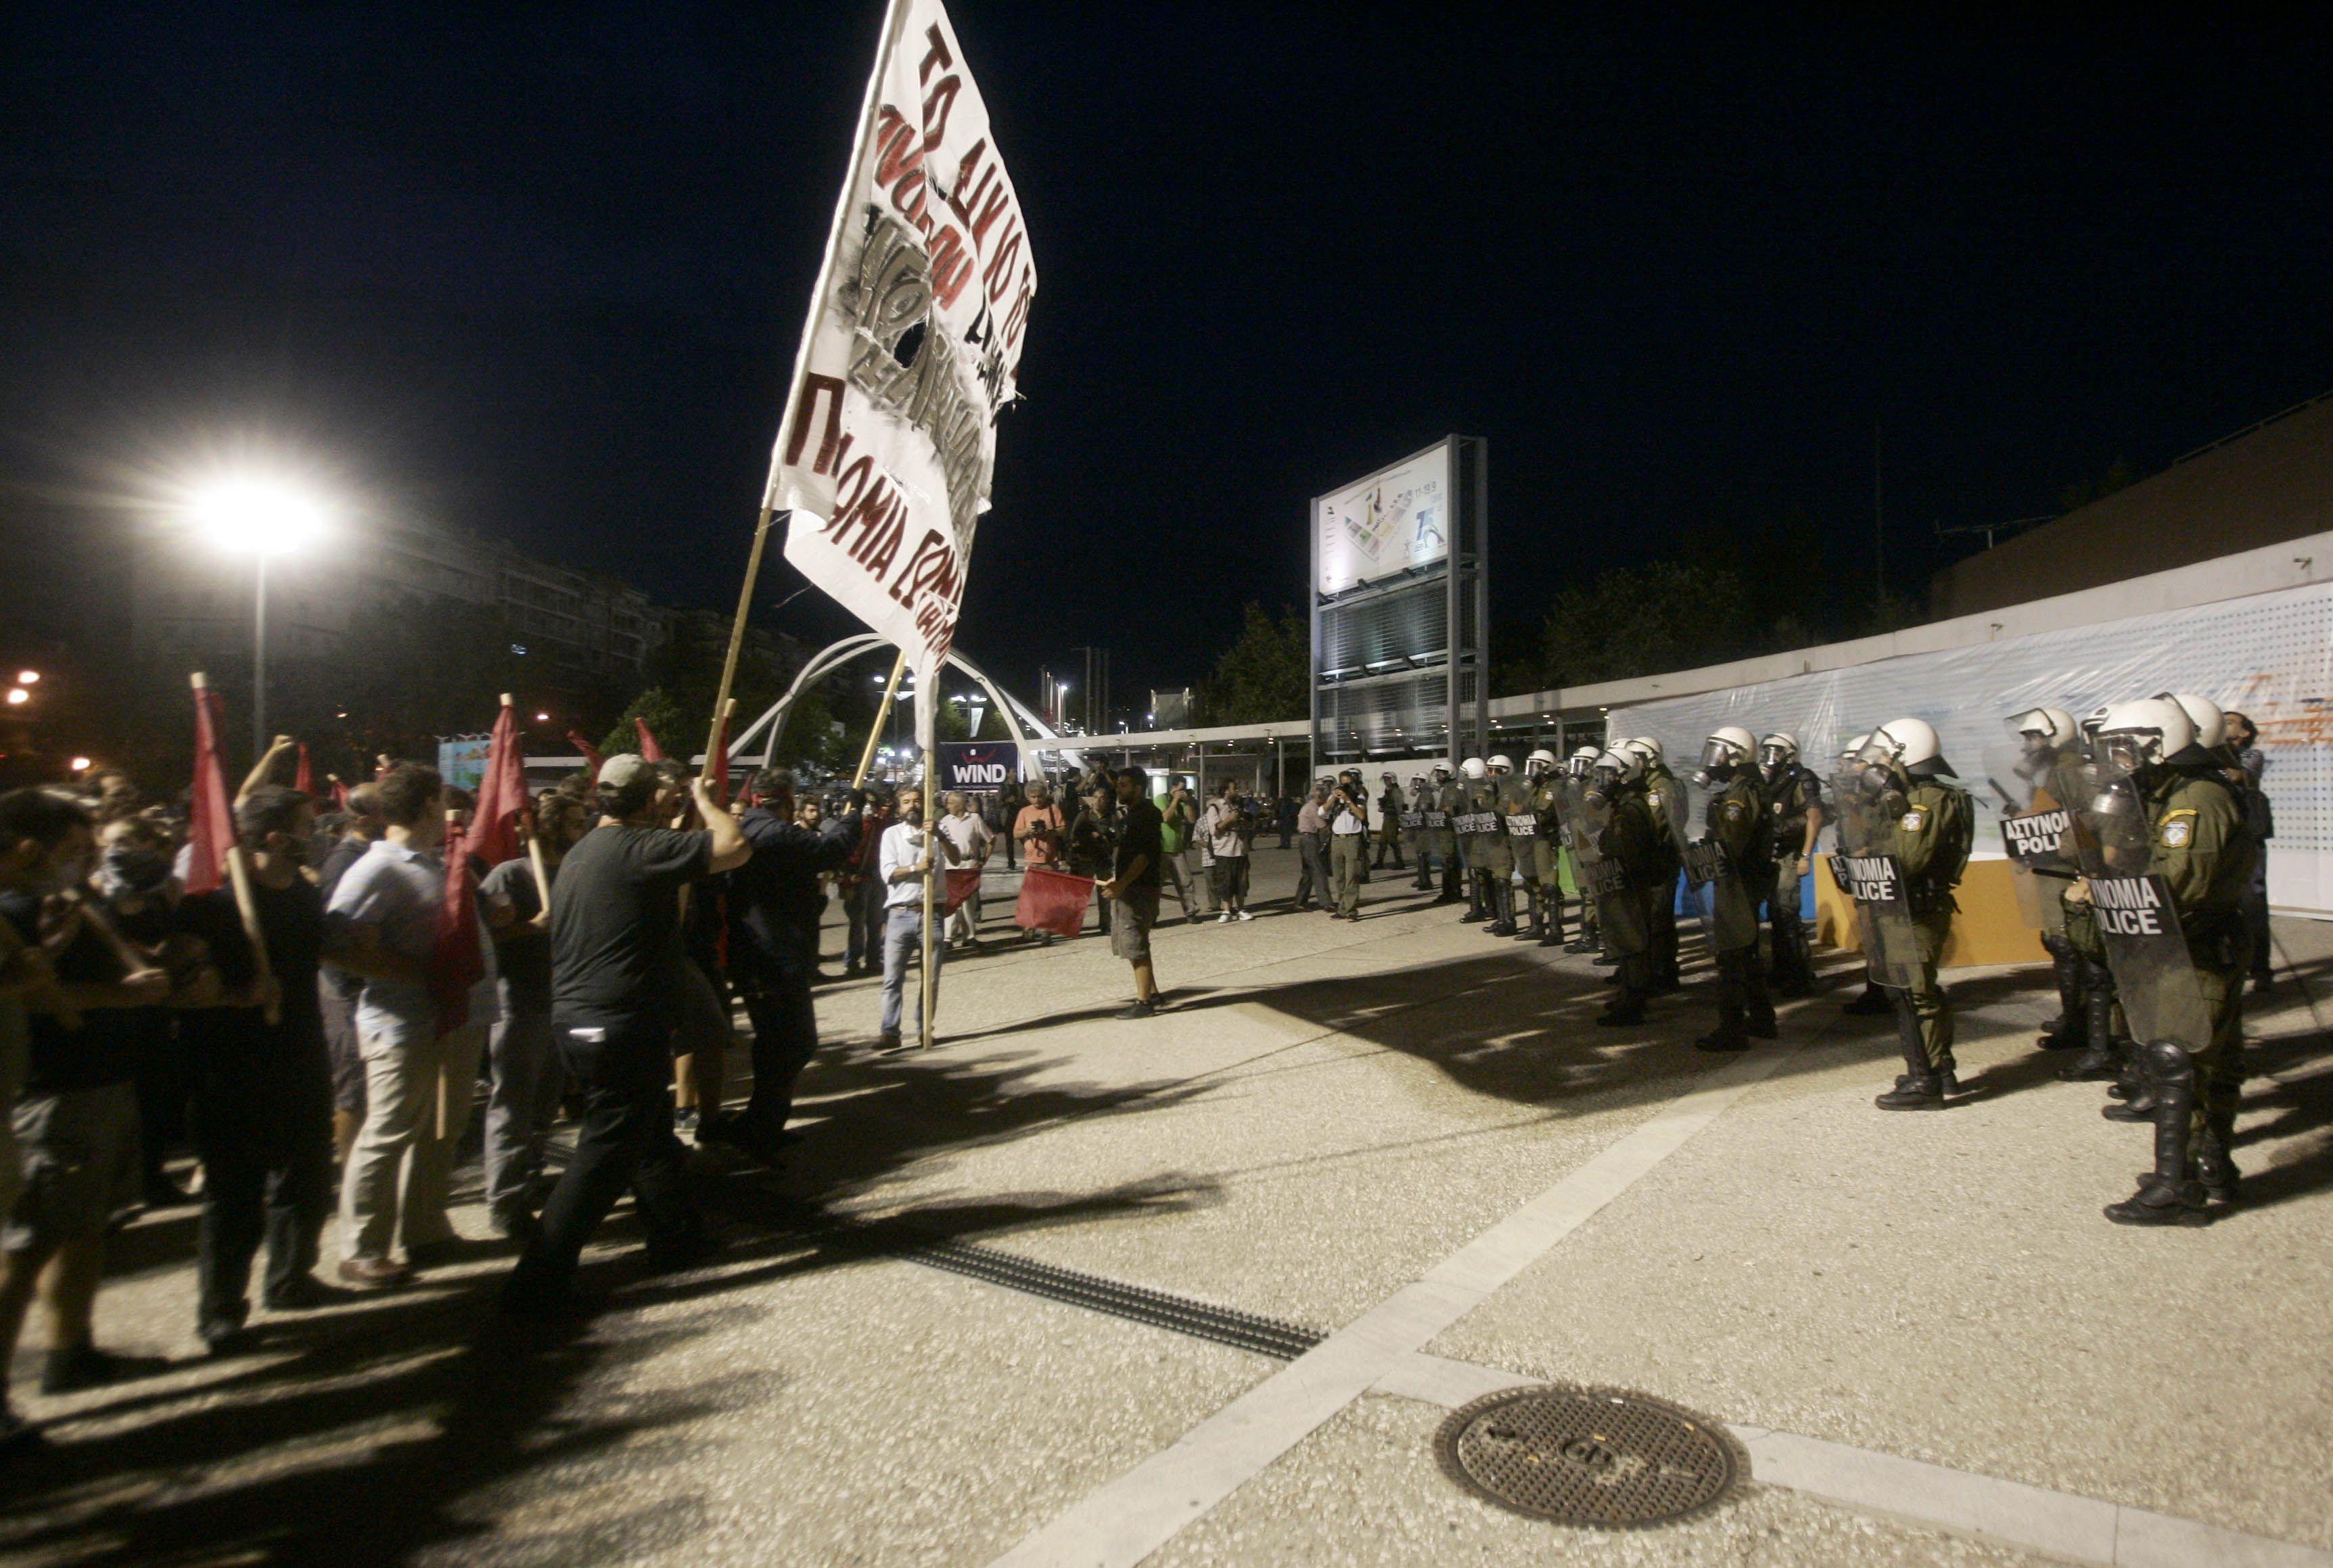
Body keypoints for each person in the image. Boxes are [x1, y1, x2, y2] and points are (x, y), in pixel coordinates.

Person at [502, 756, 747, 1314]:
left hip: (589, 1019)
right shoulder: (637, 848)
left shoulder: (586, 849)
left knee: (649, 1130)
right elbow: (733, 846)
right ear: (642, 803)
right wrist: (705, 803)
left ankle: (674, 1234)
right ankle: (536, 1280)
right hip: (617, 1022)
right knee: (605, 1150)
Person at [0, 791, 171, 1413]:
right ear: (28, 848)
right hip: (55, 1092)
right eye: (74, 850)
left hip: (104, 1082)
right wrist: (124, 995)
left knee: (85, 1230)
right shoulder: (13, 910)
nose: (85, 860)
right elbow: (34, 994)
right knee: (30, 1244)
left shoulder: (69, 903)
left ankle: (71, 1351)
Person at [177, 785, 345, 1352]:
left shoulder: (303, 892)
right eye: (306, 824)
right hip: (232, 1064)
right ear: (275, 836)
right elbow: (179, 989)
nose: (316, 834)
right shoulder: (215, 900)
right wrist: (236, 993)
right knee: (235, 1192)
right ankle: (220, 1310)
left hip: (301, 1051)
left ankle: (291, 1279)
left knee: (307, 1178)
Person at [323, 764, 499, 1287]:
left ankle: (425, 1230)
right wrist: (414, 971)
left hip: (455, 1019)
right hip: (404, 1024)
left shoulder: (436, 861)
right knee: (390, 1131)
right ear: (426, 806)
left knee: (442, 1130)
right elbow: (335, 946)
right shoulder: (376, 869)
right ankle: (361, 1250)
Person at [2079, 699, 2253, 1224]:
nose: (2118, 757)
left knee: (2181, 1058)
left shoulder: (2195, 798)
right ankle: (2209, 1164)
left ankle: (2175, 1187)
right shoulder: (2169, 792)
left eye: (2126, 746)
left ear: (2162, 741)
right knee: (2210, 1059)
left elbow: (2180, 882)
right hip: (2191, 942)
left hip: (2197, 944)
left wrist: (2104, 886)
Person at [718, 768, 854, 1165]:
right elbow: (830, 850)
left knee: (775, 1042)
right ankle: (759, 1127)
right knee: (794, 1041)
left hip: (760, 951)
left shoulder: (749, 829)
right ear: (788, 799)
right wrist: (852, 816)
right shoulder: (774, 833)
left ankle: (763, 1125)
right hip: (772, 954)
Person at [476, 791, 588, 1240]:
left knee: (546, 1103)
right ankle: (504, 1202)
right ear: (551, 826)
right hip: (519, 1004)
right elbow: (481, 940)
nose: (583, 829)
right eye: (576, 821)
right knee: (513, 1107)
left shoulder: (576, 871)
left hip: (563, 1000)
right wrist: (529, 927)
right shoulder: (511, 875)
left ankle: (531, 1178)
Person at [1856, 720, 1975, 1111]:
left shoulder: (1926, 801)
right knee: (1912, 990)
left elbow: (1907, 859)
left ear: (1908, 754)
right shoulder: (1912, 796)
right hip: (1903, 907)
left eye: (1889, 754)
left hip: (1918, 909)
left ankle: (1926, 1081)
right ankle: (1936, 1068)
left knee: (1917, 993)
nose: (1882, 762)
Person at [1690, 727, 1777, 1052]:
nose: (1713, 762)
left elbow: (1733, 842)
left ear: (1736, 754)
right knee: (1748, 951)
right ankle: (1762, 1018)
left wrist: (1713, 842)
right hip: (1749, 880)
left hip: (1739, 881)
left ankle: (1732, 1028)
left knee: (1731, 953)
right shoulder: (1748, 785)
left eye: (1718, 753)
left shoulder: (1740, 792)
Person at [317, 783, 385, 1162]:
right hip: (345, 990)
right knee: (354, 1089)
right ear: (360, 819)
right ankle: (346, 1170)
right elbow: (332, 932)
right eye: (381, 809)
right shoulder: (344, 861)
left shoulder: (371, 851)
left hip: (367, 987)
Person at [877, 786, 956, 1051]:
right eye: (907, 802)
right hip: (900, 915)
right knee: (892, 978)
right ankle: (890, 1031)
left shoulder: (934, 835)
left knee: (930, 978)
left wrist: (940, 837)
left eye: (917, 801)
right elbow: (888, 873)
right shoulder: (891, 835)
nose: (912, 806)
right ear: (899, 808)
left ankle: (925, 1028)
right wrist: (915, 868)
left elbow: (956, 858)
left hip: (930, 914)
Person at [1588, 749, 1663, 1026]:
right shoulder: (1627, 804)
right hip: (1629, 884)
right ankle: (1629, 997)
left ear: (1624, 775)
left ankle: (1632, 1004)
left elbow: (1628, 854)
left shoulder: (1630, 810)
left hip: (1629, 885)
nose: (1602, 780)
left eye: (1608, 774)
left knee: (1633, 945)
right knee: (1630, 943)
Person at [1755, 733, 1825, 996]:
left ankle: (1800, 975)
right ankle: (1782, 969)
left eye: (1777, 750)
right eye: (1767, 749)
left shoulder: (1802, 778)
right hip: (1769, 852)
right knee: (1775, 913)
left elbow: (1814, 817)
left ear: (1790, 753)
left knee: (1786, 913)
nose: (1770, 755)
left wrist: (1806, 856)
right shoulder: (1764, 779)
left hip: (1789, 854)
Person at [1100, 768, 1166, 1015]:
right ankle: (1153, 993)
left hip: (1139, 890)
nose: (1119, 789)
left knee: (1136, 944)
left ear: (1138, 787)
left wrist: (1123, 883)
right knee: (1137, 944)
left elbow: (1145, 856)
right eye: (1118, 785)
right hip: (1133, 886)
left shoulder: (1146, 815)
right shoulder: (1133, 815)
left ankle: (1144, 1003)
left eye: (1124, 785)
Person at [1627, 738, 1685, 991]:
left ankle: (1664, 973)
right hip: (1649, 860)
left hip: (1660, 859)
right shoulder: (1645, 784)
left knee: (1660, 920)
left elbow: (1658, 825)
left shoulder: (1661, 787)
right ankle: (1649, 970)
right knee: (1648, 920)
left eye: (1637, 757)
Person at [2221, 710, 2273, 992]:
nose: (2224, 725)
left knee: (2253, 900)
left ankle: (2261, 967)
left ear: (2245, 733)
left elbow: (2238, 776)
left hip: (2249, 837)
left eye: (2230, 723)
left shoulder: (2252, 756)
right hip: (2224, 836)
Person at [1515, 751, 1565, 946]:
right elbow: (1515, 808)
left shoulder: (1552, 787)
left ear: (1546, 766)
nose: (1531, 771)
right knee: (1531, 883)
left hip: (1545, 839)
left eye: (1535, 765)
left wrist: (1525, 808)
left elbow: (1543, 813)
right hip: (1528, 837)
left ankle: (1555, 929)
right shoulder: (1532, 787)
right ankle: (1536, 926)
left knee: (1549, 885)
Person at [937, 791, 994, 951]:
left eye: (950, 803)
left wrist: (984, 860)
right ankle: (948, 937)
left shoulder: (975, 819)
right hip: (951, 866)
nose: (947, 806)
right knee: (953, 901)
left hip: (970, 864)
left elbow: (991, 839)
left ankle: (970, 936)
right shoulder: (945, 821)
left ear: (959, 804)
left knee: (969, 902)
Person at [1013, 780, 1068, 944]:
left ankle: (1046, 932)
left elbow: (1063, 829)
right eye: (1033, 797)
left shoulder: (1053, 809)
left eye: (1040, 797)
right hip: (1031, 860)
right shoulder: (1024, 812)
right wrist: (1027, 831)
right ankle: (1028, 931)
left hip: (1049, 860)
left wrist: (1049, 832)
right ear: (1028, 797)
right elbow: (1015, 834)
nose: (1037, 800)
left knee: (1048, 899)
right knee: (1030, 899)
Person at [1199, 779, 1253, 921]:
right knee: (1226, 882)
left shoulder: (1238, 807)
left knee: (1242, 882)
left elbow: (1250, 824)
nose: (1237, 791)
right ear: (1226, 791)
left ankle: (1241, 909)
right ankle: (1227, 911)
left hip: (1240, 850)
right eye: (1234, 788)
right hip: (1224, 851)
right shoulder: (1215, 807)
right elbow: (1214, 831)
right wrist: (1230, 819)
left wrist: (1245, 821)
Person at [1155, 779, 1207, 923]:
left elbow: (1191, 820)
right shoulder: (1162, 798)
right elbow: (1165, 818)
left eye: (1184, 789)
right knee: (1157, 885)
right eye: (1180, 789)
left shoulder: (1182, 803)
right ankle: (1152, 916)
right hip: (1162, 849)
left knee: (1186, 881)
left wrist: (1187, 802)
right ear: (1173, 787)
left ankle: (1191, 912)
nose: (1182, 791)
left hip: (1178, 849)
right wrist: (1175, 800)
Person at [1326, 772, 1369, 920]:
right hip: (1337, 839)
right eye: (1343, 783)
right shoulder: (1335, 798)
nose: (1346, 786)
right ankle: (1342, 908)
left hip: (1352, 839)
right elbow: (1323, 812)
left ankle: (1351, 911)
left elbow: (1362, 816)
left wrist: (1348, 800)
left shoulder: (1359, 797)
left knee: (1352, 876)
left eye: (1349, 783)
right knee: (1339, 877)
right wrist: (1334, 798)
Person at [1427, 762, 1463, 904]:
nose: (1439, 776)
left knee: (1448, 860)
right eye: (1438, 773)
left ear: (1450, 774)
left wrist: (1438, 814)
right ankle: (1453, 891)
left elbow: (1450, 809)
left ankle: (1451, 892)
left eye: (1442, 773)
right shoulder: (1446, 788)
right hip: (1447, 828)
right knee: (1450, 860)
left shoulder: (1451, 788)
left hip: (1449, 829)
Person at [1293, 784, 1329, 910]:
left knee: (1308, 872)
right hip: (1310, 839)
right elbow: (1321, 825)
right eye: (1325, 796)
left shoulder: (1307, 806)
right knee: (1318, 871)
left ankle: (1300, 902)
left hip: (1304, 838)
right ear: (1319, 796)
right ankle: (1326, 902)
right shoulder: (1313, 808)